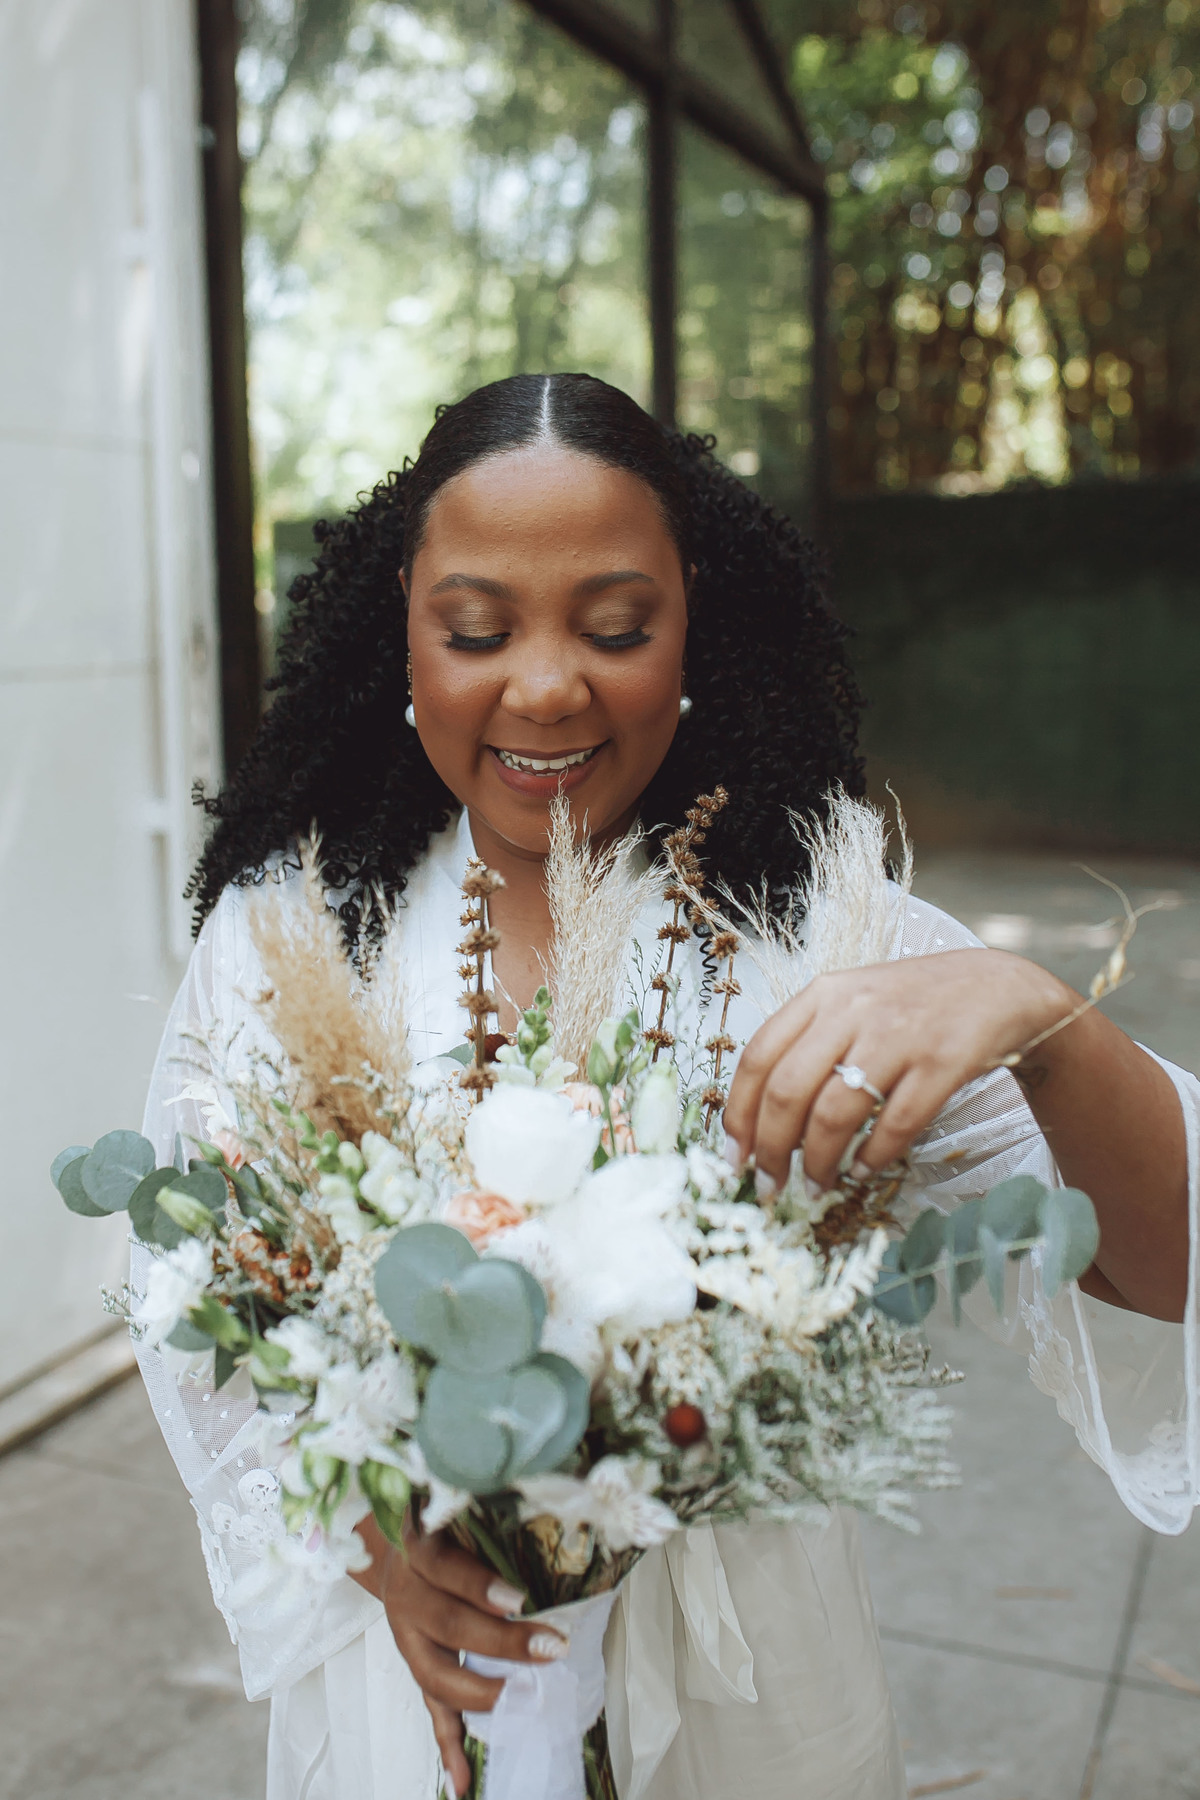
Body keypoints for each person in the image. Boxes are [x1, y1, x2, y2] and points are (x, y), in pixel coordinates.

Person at [139, 373, 1198, 1800]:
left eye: (616, 627)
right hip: (419, 1695)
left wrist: (1045, 1023)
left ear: (693, 618)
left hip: (755, 1705)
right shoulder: (288, 936)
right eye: (477, 629)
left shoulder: (813, 931)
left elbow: (1164, 1269)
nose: (545, 686)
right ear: (403, 628)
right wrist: (367, 1538)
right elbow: (193, 1294)